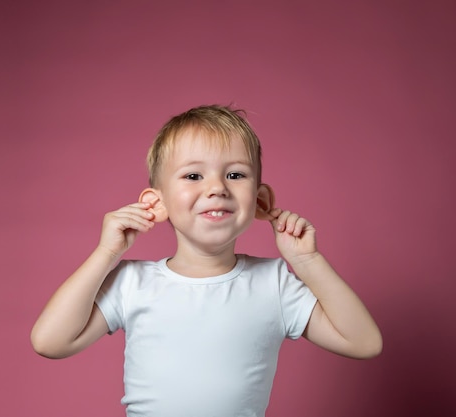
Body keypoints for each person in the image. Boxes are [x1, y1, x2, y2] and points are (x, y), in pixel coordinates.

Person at [31, 105, 382, 417]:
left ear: (260, 201)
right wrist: (105, 254)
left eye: (235, 174)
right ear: (156, 203)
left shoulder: (274, 283)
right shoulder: (131, 283)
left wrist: (308, 260)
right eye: (194, 175)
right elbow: (50, 342)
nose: (217, 187)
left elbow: (364, 342)